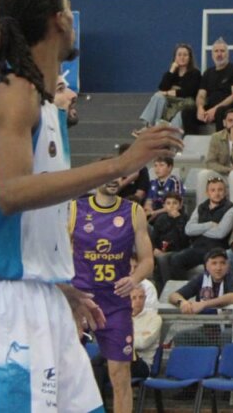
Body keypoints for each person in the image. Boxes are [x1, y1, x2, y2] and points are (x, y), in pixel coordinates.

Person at [69, 175, 154, 413]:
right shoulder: (76, 208)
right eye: (108, 175)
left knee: (120, 374)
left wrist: (134, 278)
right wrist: (67, 292)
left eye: (119, 176)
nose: (114, 180)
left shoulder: (134, 211)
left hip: (115, 302)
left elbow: (148, 260)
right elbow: (58, 255)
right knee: (63, 369)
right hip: (80, 300)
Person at [157, 175, 233, 286]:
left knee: (181, 259)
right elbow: (188, 230)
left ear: (225, 192)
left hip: (217, 249)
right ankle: (176, 291)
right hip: (197, 248)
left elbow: (220, 233)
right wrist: (210, 225)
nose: (217, 193)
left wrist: (198, 229)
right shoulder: (201, 207)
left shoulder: (231, 209)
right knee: (170, 259)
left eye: (220, 190)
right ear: (207, 193)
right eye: (213, 190)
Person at [197, 107, 233, 206]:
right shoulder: (216, 137)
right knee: (203, 174)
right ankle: (202, 211)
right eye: (230, 120)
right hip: (223, 173)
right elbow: (210, 163)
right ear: (224, 123)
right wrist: (228, 169)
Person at [139, 43, 203, 132]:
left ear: (190, 57)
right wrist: (172, 70)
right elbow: (162, 88)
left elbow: (189, 91)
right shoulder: (172, 73)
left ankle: (166, 131)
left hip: (185, 103)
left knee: (175, 108)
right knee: (158, 96)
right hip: (170, 101)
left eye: (185, 55)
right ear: (175, 57)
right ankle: (149, 126)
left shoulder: (195, 73)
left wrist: (168, 92)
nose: (182, 57)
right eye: (179, 55)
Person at [168, 248, 233, 315]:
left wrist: (204, 304)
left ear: (228, 265)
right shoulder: (201, 278)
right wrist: (182, 302)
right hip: (206, 327)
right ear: (207, 266)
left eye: (222, 263)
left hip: (230, 326)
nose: (218, 268)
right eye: (214, 263)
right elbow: (173, 296)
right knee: (182, 332)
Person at [196, 37, 233, 133]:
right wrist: (200, 108)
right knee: (187, 113)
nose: (219, 54)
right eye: (216, 51)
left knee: (220, 111)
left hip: (227, 108)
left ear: (228, 54)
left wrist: (215, 110)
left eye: (222, 51)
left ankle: (220, 144)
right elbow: (201, 95)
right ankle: (190, 144)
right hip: (210, 108)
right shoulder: (207, 73)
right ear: (212, 55)